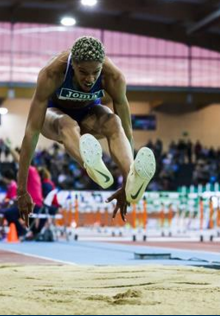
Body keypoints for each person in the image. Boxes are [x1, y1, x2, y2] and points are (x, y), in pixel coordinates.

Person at [16, 36, 156, 224]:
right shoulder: (52, 73)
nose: (90, 79)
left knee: (114, 121)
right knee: (67, 123)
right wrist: (22, 190)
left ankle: (132, 177)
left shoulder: (114, 77)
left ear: (101, 67)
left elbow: (126, 130)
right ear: (72, 63)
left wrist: (125, 185)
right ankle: (90, 164)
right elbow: (31, 132)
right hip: (55, 118)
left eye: (95, 72)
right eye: (83, 72)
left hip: (90, 116)